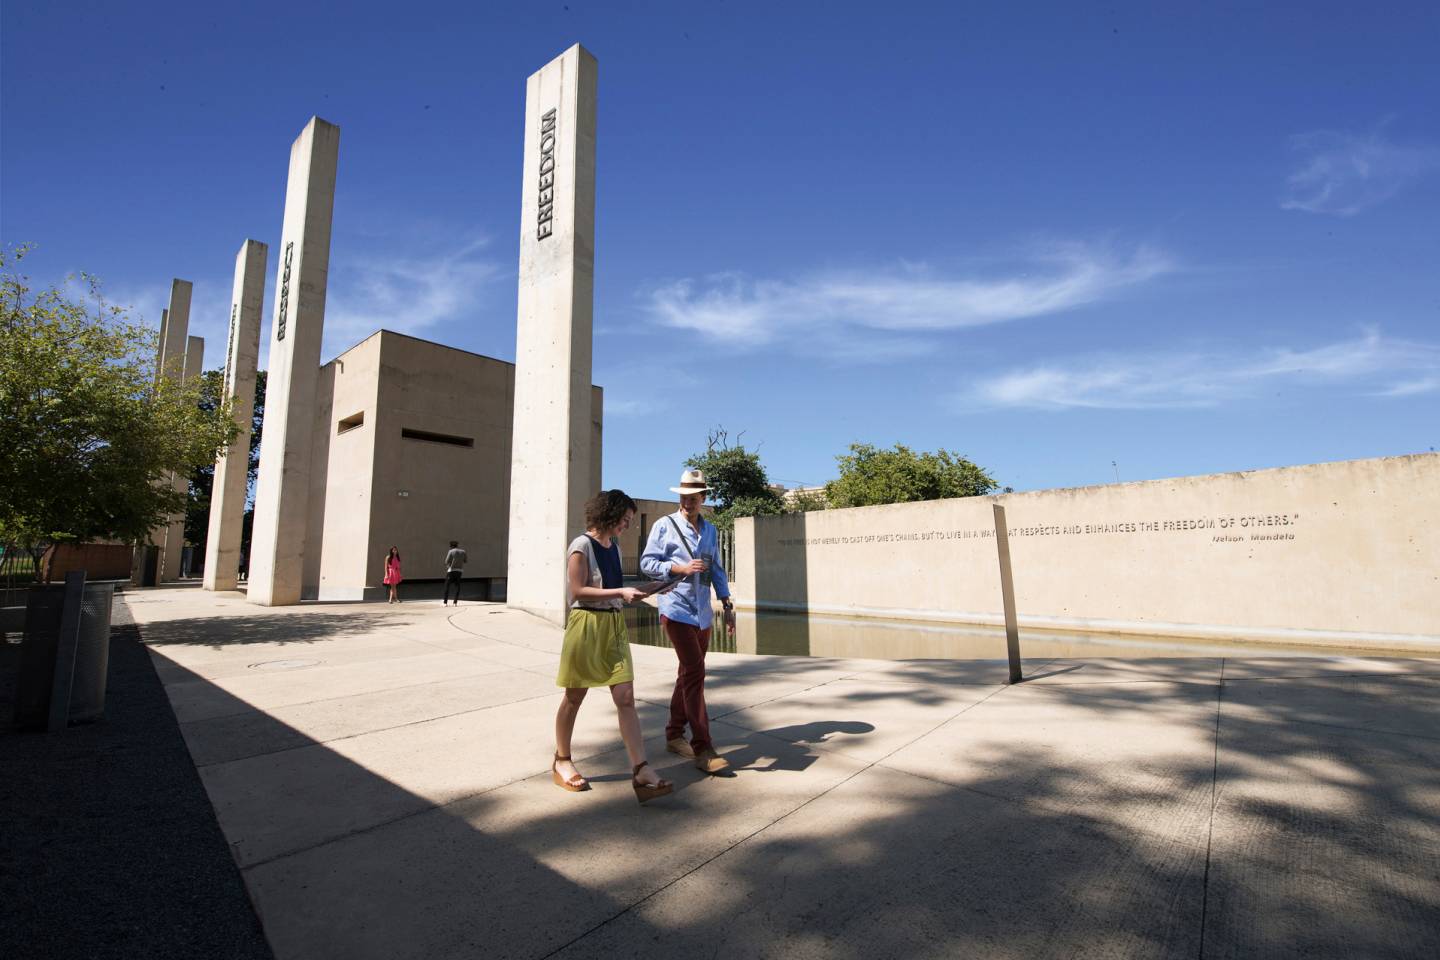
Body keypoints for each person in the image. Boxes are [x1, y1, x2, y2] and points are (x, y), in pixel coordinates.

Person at [553, 489, 674, 804]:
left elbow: (616, 591)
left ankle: (641, 769)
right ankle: (562, 760)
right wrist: (621, 591)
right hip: (587, 625)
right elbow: (578, 591)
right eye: (625, 519)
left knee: (626, 698)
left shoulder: (615, 550)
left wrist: (650, 589)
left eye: (630, 520)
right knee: (574, 696)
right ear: (609, 513)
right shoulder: (581, 545)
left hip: (613, 627)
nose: (627, 525)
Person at [640, 469, 736, 775]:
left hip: (703, 612)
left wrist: (726, 601)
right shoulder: (664, 526)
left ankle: (673, 733)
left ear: (703, 498)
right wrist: (678, 569)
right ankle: (703, 747)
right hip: (675, 609)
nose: (686, 502)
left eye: (692, 498)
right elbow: (647, 563)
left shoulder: (710, 531)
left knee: (687, 674)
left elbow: (716, 569)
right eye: (682, 496)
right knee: (696, 673)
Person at [443, 540, 467, 605]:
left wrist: (449, 565)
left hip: (451, 570)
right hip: (459, 571)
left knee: (447, 586)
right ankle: (455, 602)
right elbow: (465, 561)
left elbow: (446, 561)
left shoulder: (451, 551)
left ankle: (445, 603)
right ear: (457, 545)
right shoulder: (463, 551)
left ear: (451, 546)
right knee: (457, 586)